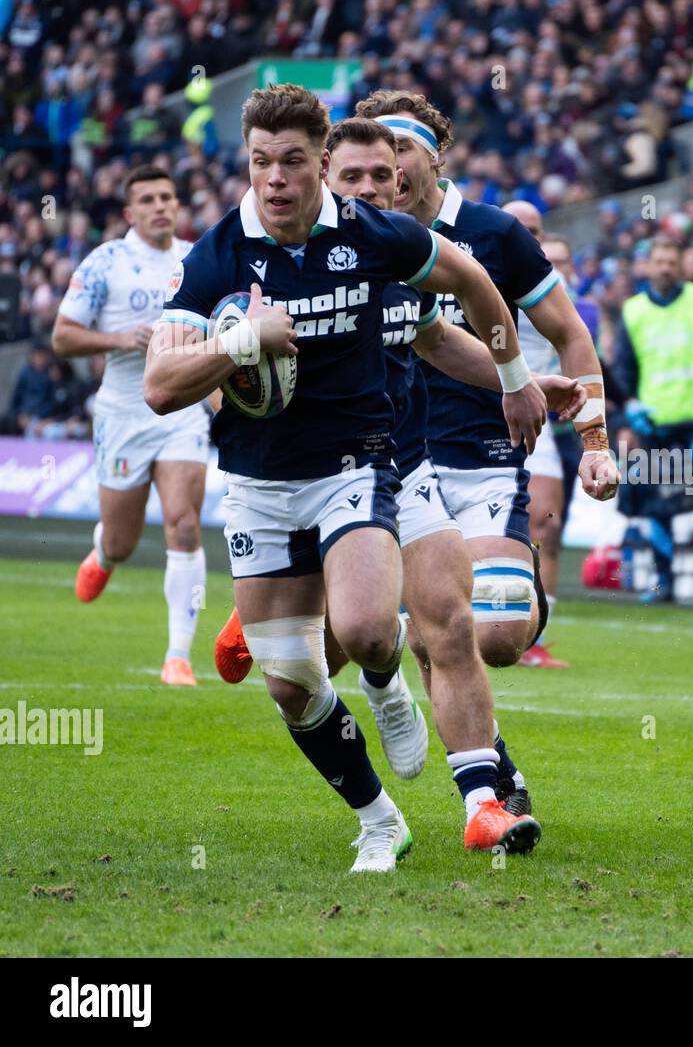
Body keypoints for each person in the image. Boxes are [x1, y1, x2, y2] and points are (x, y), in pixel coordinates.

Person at [145, 84, 550, 871]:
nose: (275, 179)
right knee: (290, 685)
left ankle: (441, 744)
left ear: (321, 165)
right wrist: (242, 344)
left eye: (293, 162)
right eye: (261, 162)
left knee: (369, 624)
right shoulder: (217, 254)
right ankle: (378, 819)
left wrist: (514, 376)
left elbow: (467, 286)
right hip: (259, 481)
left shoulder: (373, 235)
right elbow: (162, 385)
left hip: (360, 461)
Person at [354, 90, 619, 671]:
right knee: (380, 636)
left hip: (483, 453)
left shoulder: (493, 233)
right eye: (374, 154)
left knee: (497, 639)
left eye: (400, 149)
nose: (388, 167)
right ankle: (468, 745)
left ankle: (513, 587)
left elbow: (573, 335)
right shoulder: (343, 239)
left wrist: (595, 443)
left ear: (434, 159)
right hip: (381, 460)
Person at [53, 165, 208, 687]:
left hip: (181, 408)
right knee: (123, 540)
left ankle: (177, 656)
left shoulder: (195, 258)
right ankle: (104, 552)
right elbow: (63, 337)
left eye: (168, 197)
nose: (161, 206)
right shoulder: (105, 264)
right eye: (148, 200)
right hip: (122, 414)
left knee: (184, 525)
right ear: (129, 212)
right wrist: (120, 339)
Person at [502, 201, 601, 668]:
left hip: (540, 418)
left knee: (548, 524)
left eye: (534, 229)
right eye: (518, 227)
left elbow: (578, 343)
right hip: (481, 415)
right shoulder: (470, 270)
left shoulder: (553, 290)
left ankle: (535, 633)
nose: (527, 235)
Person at [612, 236, 693, 603]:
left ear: (681, 264)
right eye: (659, 261)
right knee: (657, 506)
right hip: (654, 426)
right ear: (648, 265)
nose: (665, 267)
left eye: (671, 261)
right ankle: (664, 582)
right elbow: (624, 371)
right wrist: (631, 407)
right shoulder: (633, 311)